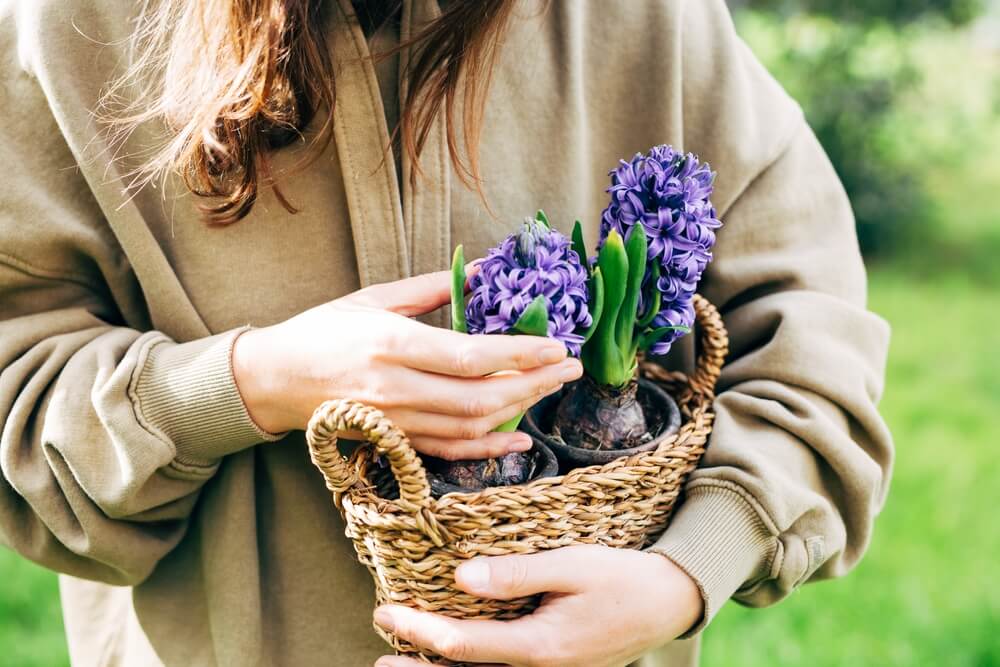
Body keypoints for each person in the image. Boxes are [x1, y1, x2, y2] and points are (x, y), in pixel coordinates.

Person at [0, 0, 893, 665]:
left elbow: (815, 336)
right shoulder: (71, 30)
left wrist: (685, 573)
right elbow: (20, 387)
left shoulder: (646, 21)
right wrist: (256, 381)